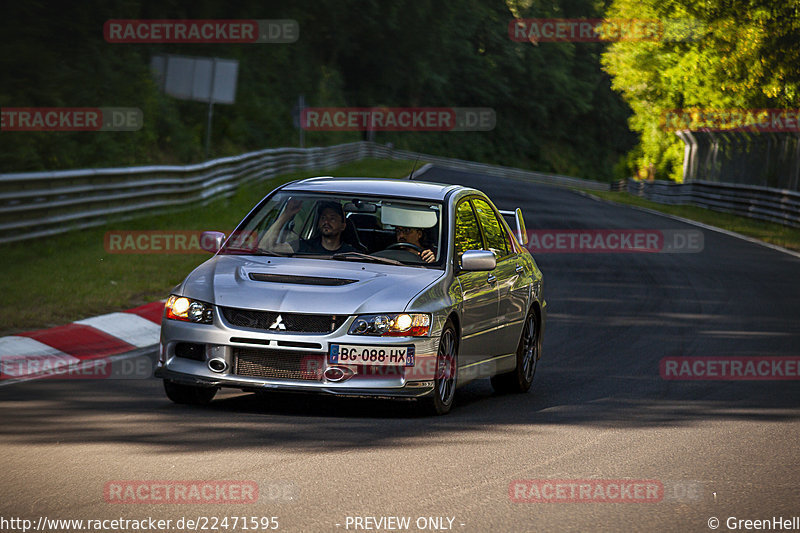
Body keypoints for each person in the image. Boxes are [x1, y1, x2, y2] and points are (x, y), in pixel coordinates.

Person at [260, 199, 357, 254]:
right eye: (323, 218)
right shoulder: (303, 246)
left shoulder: (351, 254)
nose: (326, 222)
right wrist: (286, 214)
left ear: (343, 226)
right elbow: (265, 247)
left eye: (332, 218)